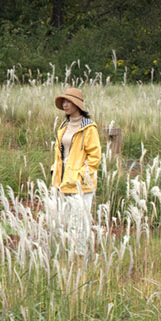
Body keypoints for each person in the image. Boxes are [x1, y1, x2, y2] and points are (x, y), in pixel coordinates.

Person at [50, 87, 102, 258]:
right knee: (65, 222)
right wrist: (55, 171)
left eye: (69, 102)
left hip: (82, 185)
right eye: (63, 102)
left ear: (77, 105)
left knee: (79, 223)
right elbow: (61, 154)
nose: (65, 105)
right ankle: (70, 257)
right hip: (62, 181)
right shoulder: (63, 126)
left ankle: (81, 259)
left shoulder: (88, 128)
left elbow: (94, 157)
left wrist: (80, 175)